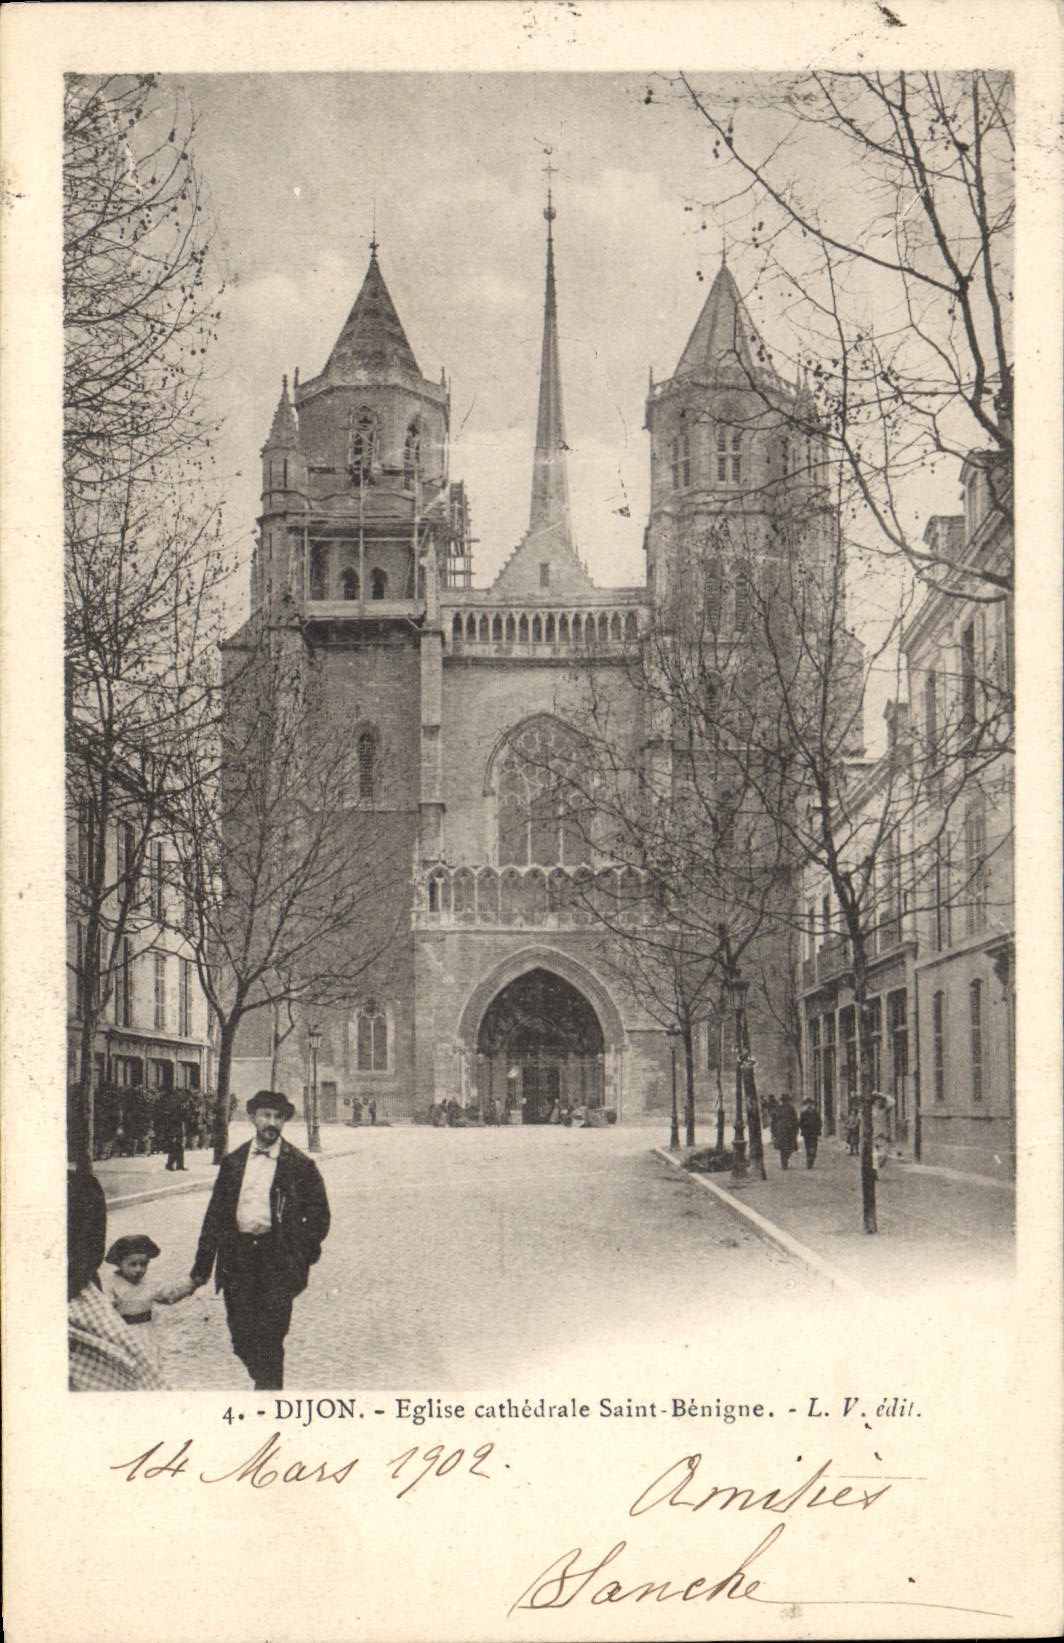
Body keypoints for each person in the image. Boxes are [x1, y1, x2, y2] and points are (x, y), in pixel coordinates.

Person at [173, 1091, 330, 1391]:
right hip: (239, 1261)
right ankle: (266, 1386)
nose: (272, 1123)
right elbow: (215, 1218)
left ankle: (269, 1398)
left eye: (278, 1117)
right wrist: (200, 1271)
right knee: (241, 1339)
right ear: (252, 1118)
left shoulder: (300, 1166)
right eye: (265, 1115)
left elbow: (320, 1217)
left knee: (271, 1339)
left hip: (277, 1263)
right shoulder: (233, 1163)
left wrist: (300, 1258)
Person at [67, 1166, 166, 1391]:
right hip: (126, 1328)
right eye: (133, 1264)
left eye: (143, 1264)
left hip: (147, 1332)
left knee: (146, 1368)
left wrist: (191, 1283)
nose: (139, 1270)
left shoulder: (83, 1186)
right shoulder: (113, 1285)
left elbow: (166, 1293)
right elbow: (107, 1309)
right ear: (120, 1264)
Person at [775, 1093, 799, 1170]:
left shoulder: (790, 1109)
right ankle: (784, 1163)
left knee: (786, 1148)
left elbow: (795, 1120)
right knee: (786, 1148)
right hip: (785, 1131)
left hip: (787, 1131)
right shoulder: (780, 1109)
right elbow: (775, 1120)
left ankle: (784, 1163)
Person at [798, 1099, 823, 1169]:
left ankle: (812, 1157)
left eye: (810, 1104)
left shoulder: (815, 1113)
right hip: (807, 1133)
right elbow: (800, 1123)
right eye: (807, 1104)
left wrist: (817, 1128)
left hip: (814, 1133)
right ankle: (809, 1162)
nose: (809, 1106)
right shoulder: (803, 1114)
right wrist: (804, 1126)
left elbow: (819, 1122)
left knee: (814, 1148)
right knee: (808, 1148)